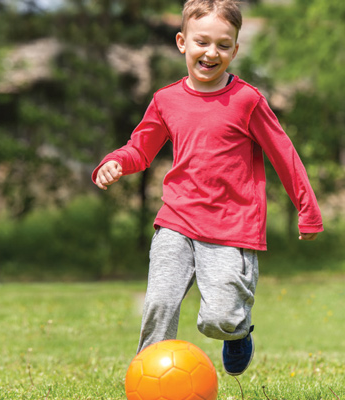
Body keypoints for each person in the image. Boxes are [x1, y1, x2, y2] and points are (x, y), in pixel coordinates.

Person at [92, 0, 323, 376]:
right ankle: (147, 376)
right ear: (182, 42)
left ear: (235, 49)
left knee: (217, 318)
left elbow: (283, 153)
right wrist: (115, 161)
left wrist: (308, 210)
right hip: (177, 220)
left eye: (222, 44)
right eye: (202, 42)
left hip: (232, 227)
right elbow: (141, 147)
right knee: (160, 303)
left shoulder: (247, 100)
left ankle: (237, 331)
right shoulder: (166, 100)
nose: (210, 53)